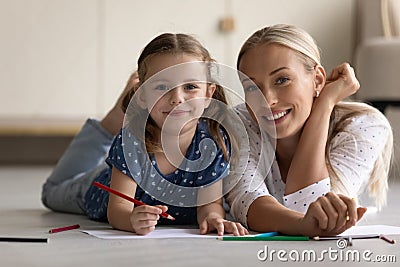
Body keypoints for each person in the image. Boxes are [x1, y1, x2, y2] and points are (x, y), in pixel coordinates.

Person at [42, 33, 248, 236]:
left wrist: (213, 218)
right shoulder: (131, 140)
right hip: (99, 186)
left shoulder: (212, 139)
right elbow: (118, 210)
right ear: (141, 95)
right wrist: (130, 220)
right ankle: (110, 123)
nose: (177, 98)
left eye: (191, 87)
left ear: (208, 95)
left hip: (139, 176)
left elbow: (209, 204)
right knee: (51, 194)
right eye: (162, 86)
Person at [225, 24, 393, 237]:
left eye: (282, 80)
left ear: (318, 80)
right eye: (251, 87)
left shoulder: (364, 126)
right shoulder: (238, 124)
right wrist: (302, 224)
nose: (266, 100)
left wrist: (325, 103)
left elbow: (309, 206)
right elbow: (248, 201)